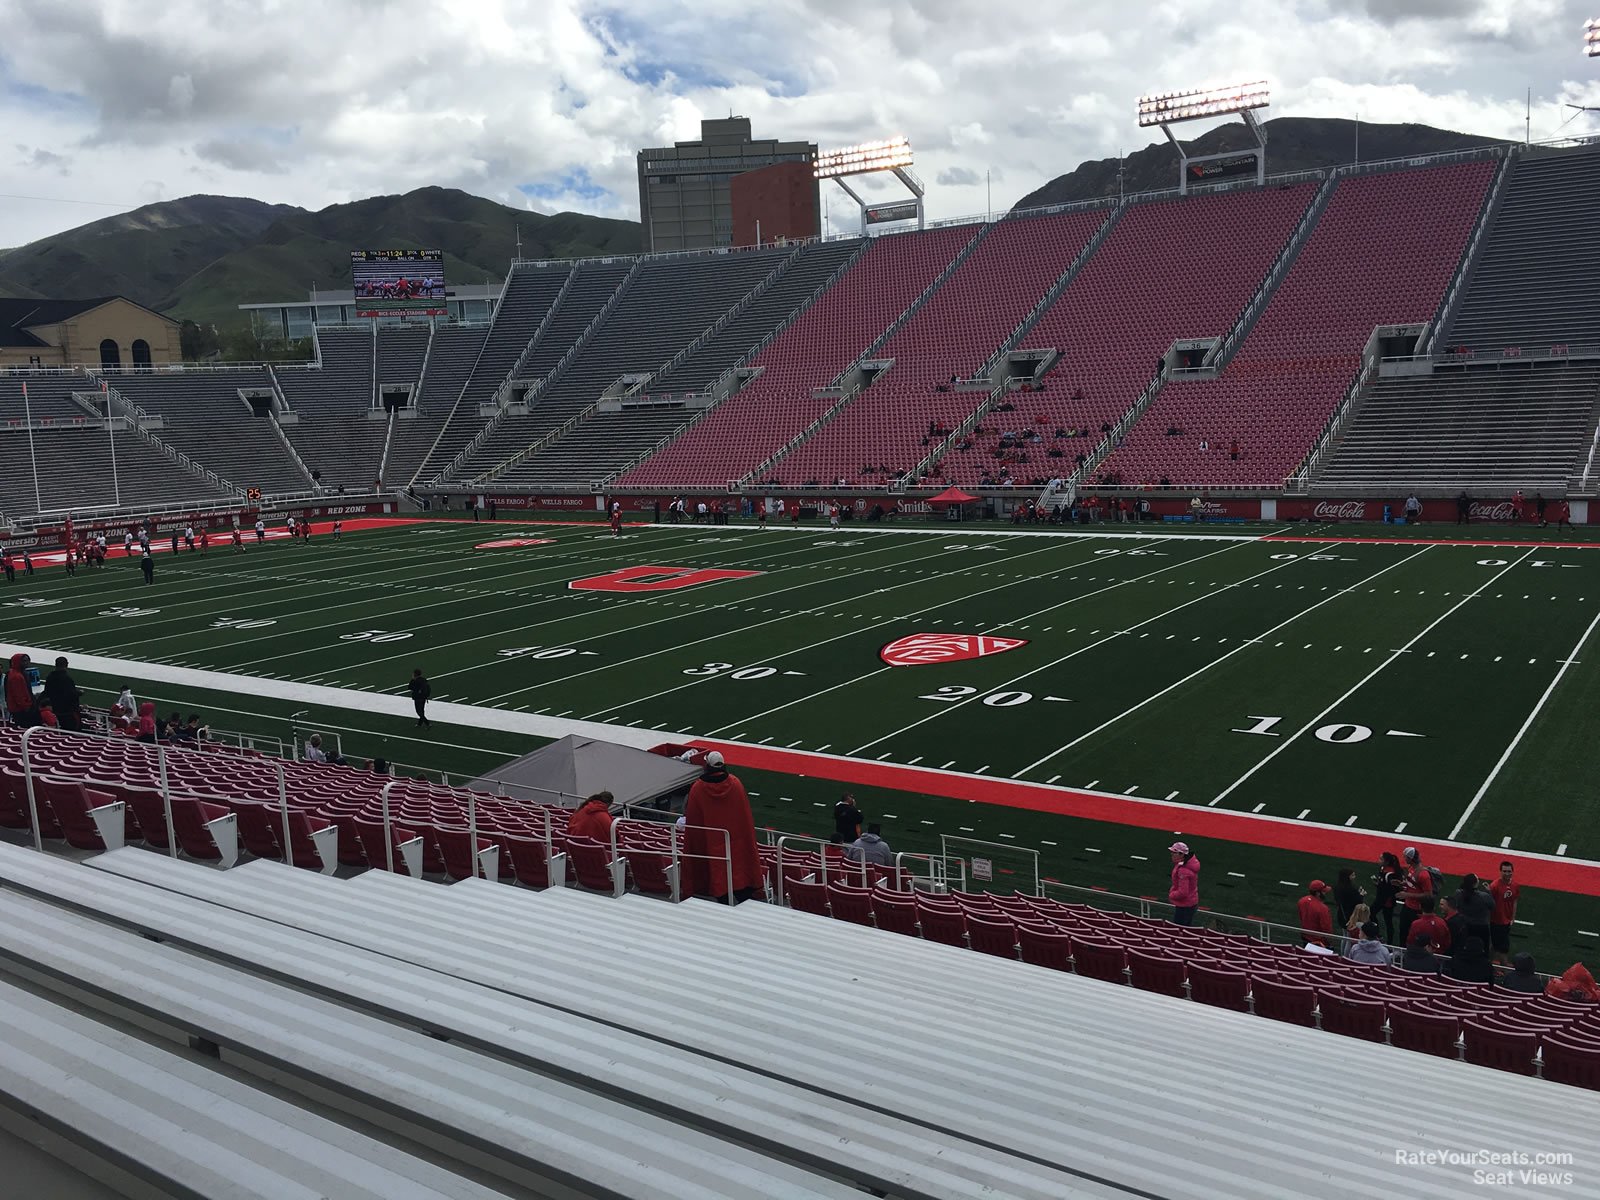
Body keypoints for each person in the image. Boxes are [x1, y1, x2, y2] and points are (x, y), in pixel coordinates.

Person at [682, 751, 763, 903]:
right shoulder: (735, 783)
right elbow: (745, 820)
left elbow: (694, 826)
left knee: (722, 896)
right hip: (736, 849)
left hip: (711, 849)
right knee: (743, 892)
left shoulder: (698, 788)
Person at [1395, 846, 1433, 946]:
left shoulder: (1423, 874)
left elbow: (1428, 895)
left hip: (1416, 909)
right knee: (1403, 931)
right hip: (1407, 905)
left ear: (1410, 858)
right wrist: (1402, 884)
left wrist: (1407, 894)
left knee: (1415, 933)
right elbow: (1413, 884)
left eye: (1405, 857)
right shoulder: (1411, 868)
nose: (1404, 859)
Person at [1486, 860, 1520, 963]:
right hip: (1496, 921)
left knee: (1495, 945)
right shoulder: (1494, 886)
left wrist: (1512, 918)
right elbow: (1489, 903)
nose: (1507, 873)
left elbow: (1514, 901)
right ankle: (1504, 969)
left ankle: (1489, 963)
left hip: (1507, 921)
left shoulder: (1515, 885)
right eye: (1504, 871)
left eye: (1509, 871)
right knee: (1503, 948)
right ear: (1500, 872)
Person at [41, 656, 81, 731]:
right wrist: (79, 693)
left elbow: (46, 692)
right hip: (67, 711)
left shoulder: (50, 677)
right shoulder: (67, 679)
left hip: (55, 708)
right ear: (66, 664)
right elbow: (71, 695)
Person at [1372, 852, 1403, 944]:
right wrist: (1378, 884)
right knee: (1373, 914)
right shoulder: (1383, 869)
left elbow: (1392, 889)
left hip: (1386, 900)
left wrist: (1381, 887)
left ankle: (1387, 941)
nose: (1379, 860)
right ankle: (1378, 935)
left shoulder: (1390, 874)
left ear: (1387, 862)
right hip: (1381, 898)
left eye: (1381, 859)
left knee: (1387, 921)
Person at [1167, 841, 1200, 926]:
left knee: (1179, 928)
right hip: (1190, 902)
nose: (1172, 854)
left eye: (1174, 853)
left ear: (1181, 855)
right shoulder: (1186, 865)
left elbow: (1183, 892)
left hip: (1185, 905)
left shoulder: (1183, 870)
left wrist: (1171, 894)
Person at [1297, 880, 1334, 947]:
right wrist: (1330, 942)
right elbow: (1326, 928)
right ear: (1318, 893)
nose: (1325, 893)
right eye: (1324, 891)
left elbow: (1301, 916)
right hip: (1319, 942)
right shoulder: (1323, 909)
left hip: (1305, 936)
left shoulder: (1302, 900)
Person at [5, 653, 35, 726]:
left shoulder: (16, 673)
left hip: (19, 708)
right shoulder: (16, 676)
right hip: (20, 709)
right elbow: (19, 695)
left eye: (28, 660)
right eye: (24, 661)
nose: (27, 663)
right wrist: (26, 707)